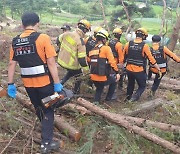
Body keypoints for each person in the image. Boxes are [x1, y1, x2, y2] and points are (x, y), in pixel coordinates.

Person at [7, 12, 63, 154]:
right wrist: (57, 83)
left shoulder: (15, 41)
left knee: (39, 107)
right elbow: (51, 62)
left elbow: (11, 64)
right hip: (45, 84)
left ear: (22, 25)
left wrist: (10, 84)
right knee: (49, 109)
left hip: (29, 86)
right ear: (37, 23)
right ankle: (46, 144)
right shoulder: (43, 38)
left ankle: (45, 130)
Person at [121, 28, 161, 102]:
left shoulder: (128, 44)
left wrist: (121, 67)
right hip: (139, 70)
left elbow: (123, 57)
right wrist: (158, 68)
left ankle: (128, 98)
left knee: (130, 84)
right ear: (143, 36)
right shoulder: (144, 46)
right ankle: (133, 99)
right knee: (142, 86)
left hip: (129, 69)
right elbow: (151, 59)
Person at [57, 19, 90, 94]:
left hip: (61, 60)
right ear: (84, 30)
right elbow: (81, 59)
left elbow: (57, 40)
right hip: (71, 64)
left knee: (71, 73)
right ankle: (76, 92)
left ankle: (61, 83)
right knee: (79, 76)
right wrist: (86, 71)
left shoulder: (66, 34)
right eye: (87, 31)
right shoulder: (80, 41)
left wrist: (62, 50)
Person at [88, 29, 120, 103]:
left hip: (93, 77)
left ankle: (96, 102)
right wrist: (117, 72)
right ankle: (109, 99)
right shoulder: (106, 48)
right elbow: (112, 62)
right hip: (102, 77)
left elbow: (90, 61)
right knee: (114, 80)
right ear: (104, 39)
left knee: (99, 88)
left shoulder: (92, 50)